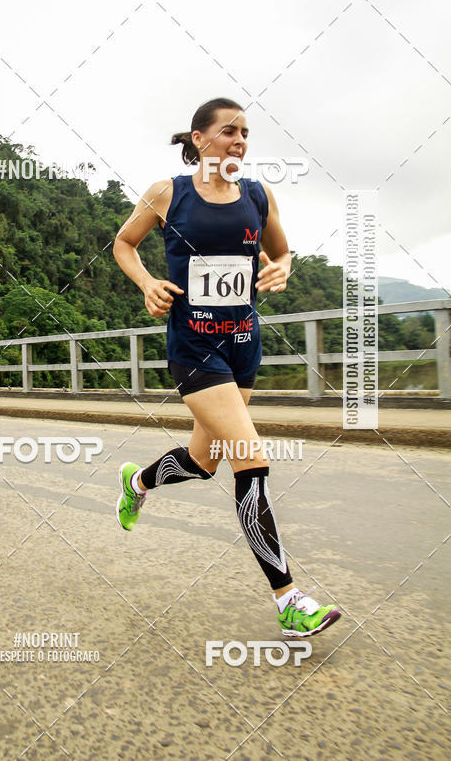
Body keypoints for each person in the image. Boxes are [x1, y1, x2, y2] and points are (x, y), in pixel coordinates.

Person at [113, 98, 341, 637]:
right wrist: (148, 283)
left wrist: (280, 270)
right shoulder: (169, 193)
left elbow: (282, 253)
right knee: (250, 457)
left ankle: (140, 481)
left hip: (243, 344)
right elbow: (124, 244)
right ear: (199, 138)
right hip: (193, 347)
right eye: (228, 131)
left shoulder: (259, 196)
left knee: (203, 460)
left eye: (245, 133)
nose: (239, 141)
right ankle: (289, 598)